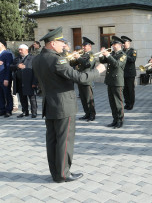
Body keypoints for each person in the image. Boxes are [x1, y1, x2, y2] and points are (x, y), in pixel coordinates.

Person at [32, 27, 106, 183]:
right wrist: (97, 70)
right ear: (52, 43)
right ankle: (64, 174)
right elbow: (79, 77)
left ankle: (55, 173)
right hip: (63, 105)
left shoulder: (37, 59)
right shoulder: (57, 60)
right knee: (64, 140)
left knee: (52, 140)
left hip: (49, 105)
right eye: (61, 42)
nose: (64, 45)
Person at [99, 36, 127, 129]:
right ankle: (115, 120)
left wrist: (107, 55)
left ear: (119, 45)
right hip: (110, 81)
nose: (112, 46)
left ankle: (120, 120)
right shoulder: (113, 54)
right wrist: (101, 54)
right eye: (112, 44)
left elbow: (116, 64)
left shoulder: (122, 55)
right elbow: (103, 60)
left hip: (117, 82)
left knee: (118, 103)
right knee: (112, 102)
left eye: (114, 44)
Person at [70, 37, 97, 122]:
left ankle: (92, 114)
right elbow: (72, 63)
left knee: (89, 98)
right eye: (83, 46)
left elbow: (88, 64)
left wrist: (78, 57)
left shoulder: (92, 55)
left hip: (87, 79)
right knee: (83, 98)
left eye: (85, 46)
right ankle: (87, 113)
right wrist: (73, 57)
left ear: (89, 46)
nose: (83, 47)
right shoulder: (83, 55)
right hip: (80, 78)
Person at [10, 44, 38, 118]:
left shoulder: (33, 58)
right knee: (22, 98)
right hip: (19, 82)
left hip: (29, 81)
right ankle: (25, 111)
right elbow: (11, 67)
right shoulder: (16, 59)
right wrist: (17, 66)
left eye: (21, 50)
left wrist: (35, 82)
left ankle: (34, 112)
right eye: (19, 50)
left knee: (32, 97)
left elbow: (36, 71)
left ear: (26, 50)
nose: (19, 51)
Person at [121, 36, 137, 110]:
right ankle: (127, 103)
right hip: (123, 73)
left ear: (129, 43)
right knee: (125, 90)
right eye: (123, 43)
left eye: (125, 43)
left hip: (130, 73)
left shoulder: (133, 51)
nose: (124, 44)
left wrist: (125, 56)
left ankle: (131, 104)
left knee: (130, 89)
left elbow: (133, 60)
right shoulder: (122, 51)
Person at [0, 38, 13, 117]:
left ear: (2, 44)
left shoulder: (7, 54)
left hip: (4, 78)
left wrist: (7, 78)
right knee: (0, 95)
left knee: (7, 94)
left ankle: (9, 109)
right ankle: (2, 109)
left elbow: (8, 67)